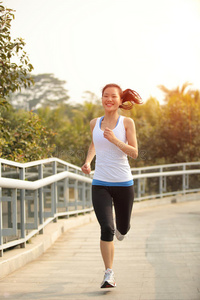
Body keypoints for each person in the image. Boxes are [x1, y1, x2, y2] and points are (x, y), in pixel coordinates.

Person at [81, 83, 142, 288]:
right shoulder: (94, 123)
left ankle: (123, 229)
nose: (109, 99)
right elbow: (95, 143)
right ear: (102, 99)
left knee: (121, 229)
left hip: (124, 184)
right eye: (105, 96)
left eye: (113, 96)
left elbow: (134, 153)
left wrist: (115, 140)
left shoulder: (127, 123)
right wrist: (89, 161)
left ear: (120, 100)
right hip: (100, 184)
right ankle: (109, 274)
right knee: (107, 228)